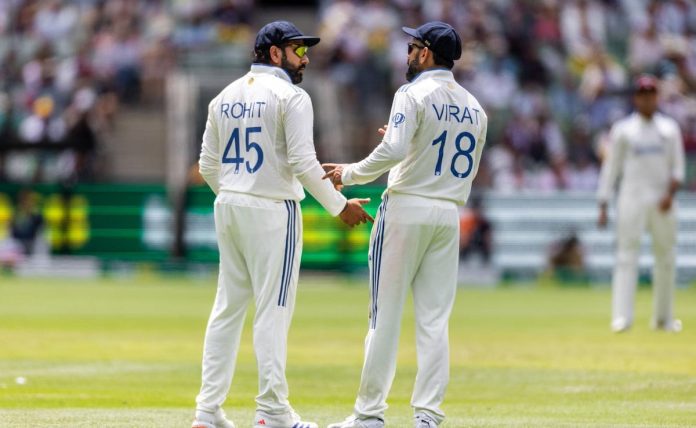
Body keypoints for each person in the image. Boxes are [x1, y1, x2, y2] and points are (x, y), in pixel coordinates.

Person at [193, 21, 373, 428]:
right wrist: (339, 206)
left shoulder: (224, 96)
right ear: (274, 53)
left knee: (227, 309)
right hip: (273, 210)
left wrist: (238, 190)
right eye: (298, 50)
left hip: (230, 204)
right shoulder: (291, 96)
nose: (305, 59)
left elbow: (206, 165)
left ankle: (207, 411)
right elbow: (304, 163)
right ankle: (272, 412)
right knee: (272, 310)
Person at [323, 22, 487, 428]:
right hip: (447, 214)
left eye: (413, 47)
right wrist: (407, 147)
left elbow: (393, 150)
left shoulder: (411, 94)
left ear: (426, 53)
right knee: (434, 321)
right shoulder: (476, 108)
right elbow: (432, 154)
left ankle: (369, 415)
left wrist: (349, 173)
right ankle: (427, 415)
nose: (408, 54)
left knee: (384, 317)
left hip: (406, 209)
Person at [597, 74, 685, 333]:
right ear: (636, 98)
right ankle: (622, 318)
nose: (647, 99)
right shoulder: (623, 130)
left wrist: (670, 194)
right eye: (643, 95)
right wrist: (603, 202)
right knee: (626, 256)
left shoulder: (669, 129)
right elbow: (611, 168)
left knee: (666, 258)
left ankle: (663, 318)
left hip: (662, 200)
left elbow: (678, 169)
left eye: (651, 94)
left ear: (657, 97)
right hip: (631, 198)